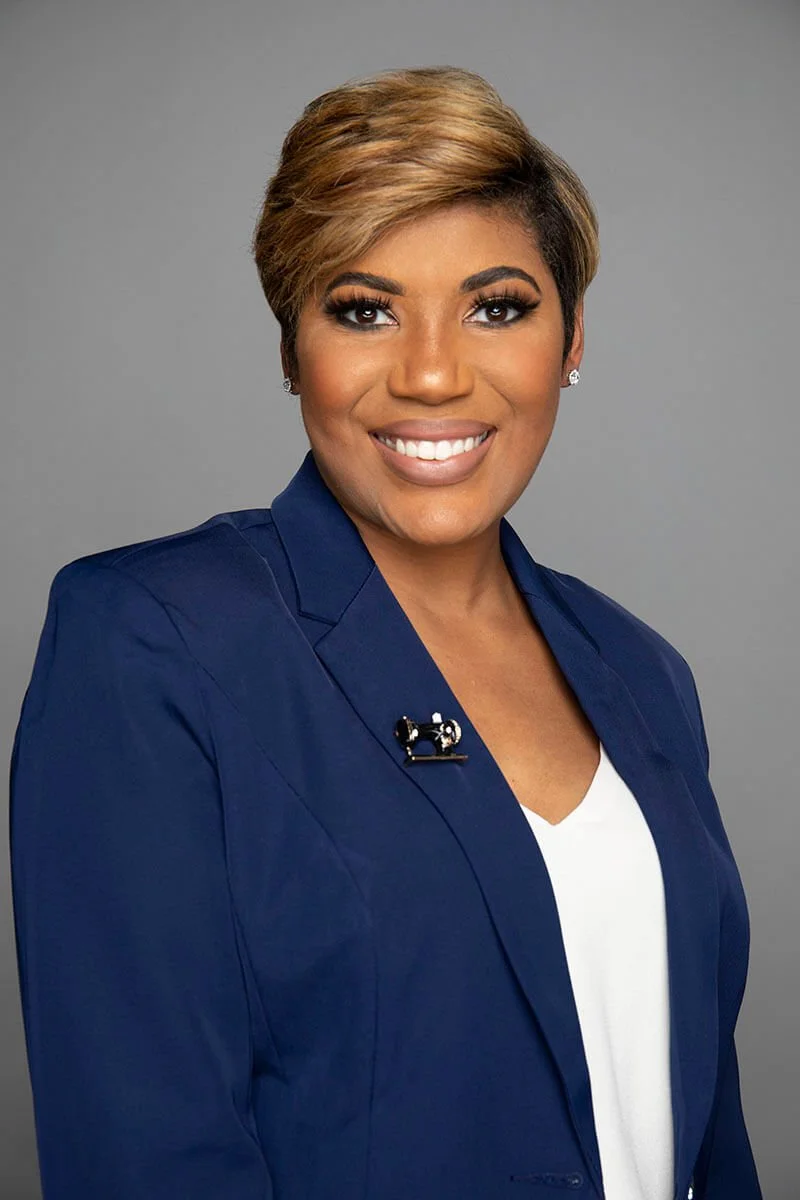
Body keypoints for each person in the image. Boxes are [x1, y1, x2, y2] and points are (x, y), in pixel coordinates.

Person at [9, 65, 762, 1200]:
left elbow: (705, 1132)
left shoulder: (643, 673)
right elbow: (145, 1151)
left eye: (496, 306)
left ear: (568, 341)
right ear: (288, 349)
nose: (428, 372)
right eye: (362, 309)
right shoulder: (155, 643)